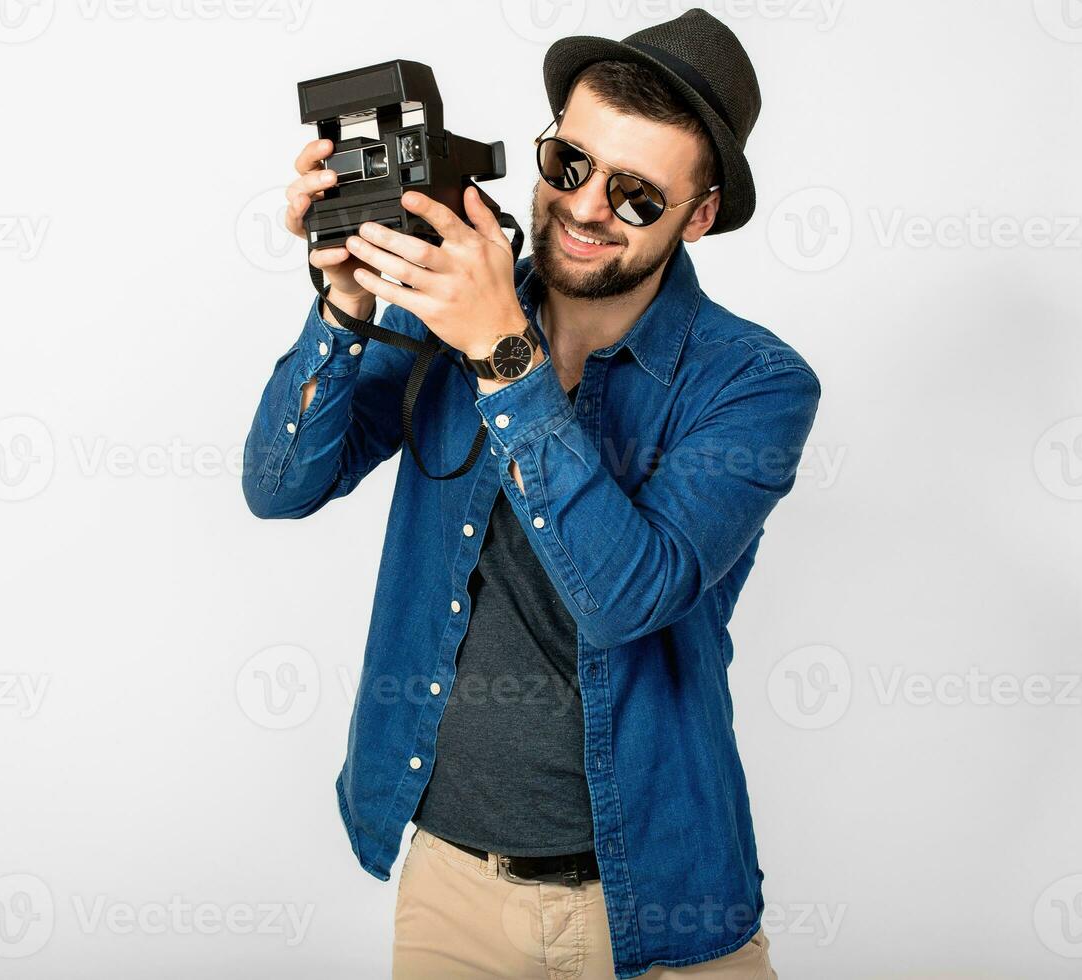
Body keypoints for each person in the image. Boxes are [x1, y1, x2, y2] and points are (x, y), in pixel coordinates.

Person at [242, 10, 818, 978]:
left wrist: (505, 357)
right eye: (569, 166)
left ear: (700, 215)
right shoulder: (455, 312)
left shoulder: (753, 382)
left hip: (661, 903)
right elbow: (278, 482)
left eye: (638, 197)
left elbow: (625, 594)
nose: (587, 207)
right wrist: (345, 298)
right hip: (452, 893)